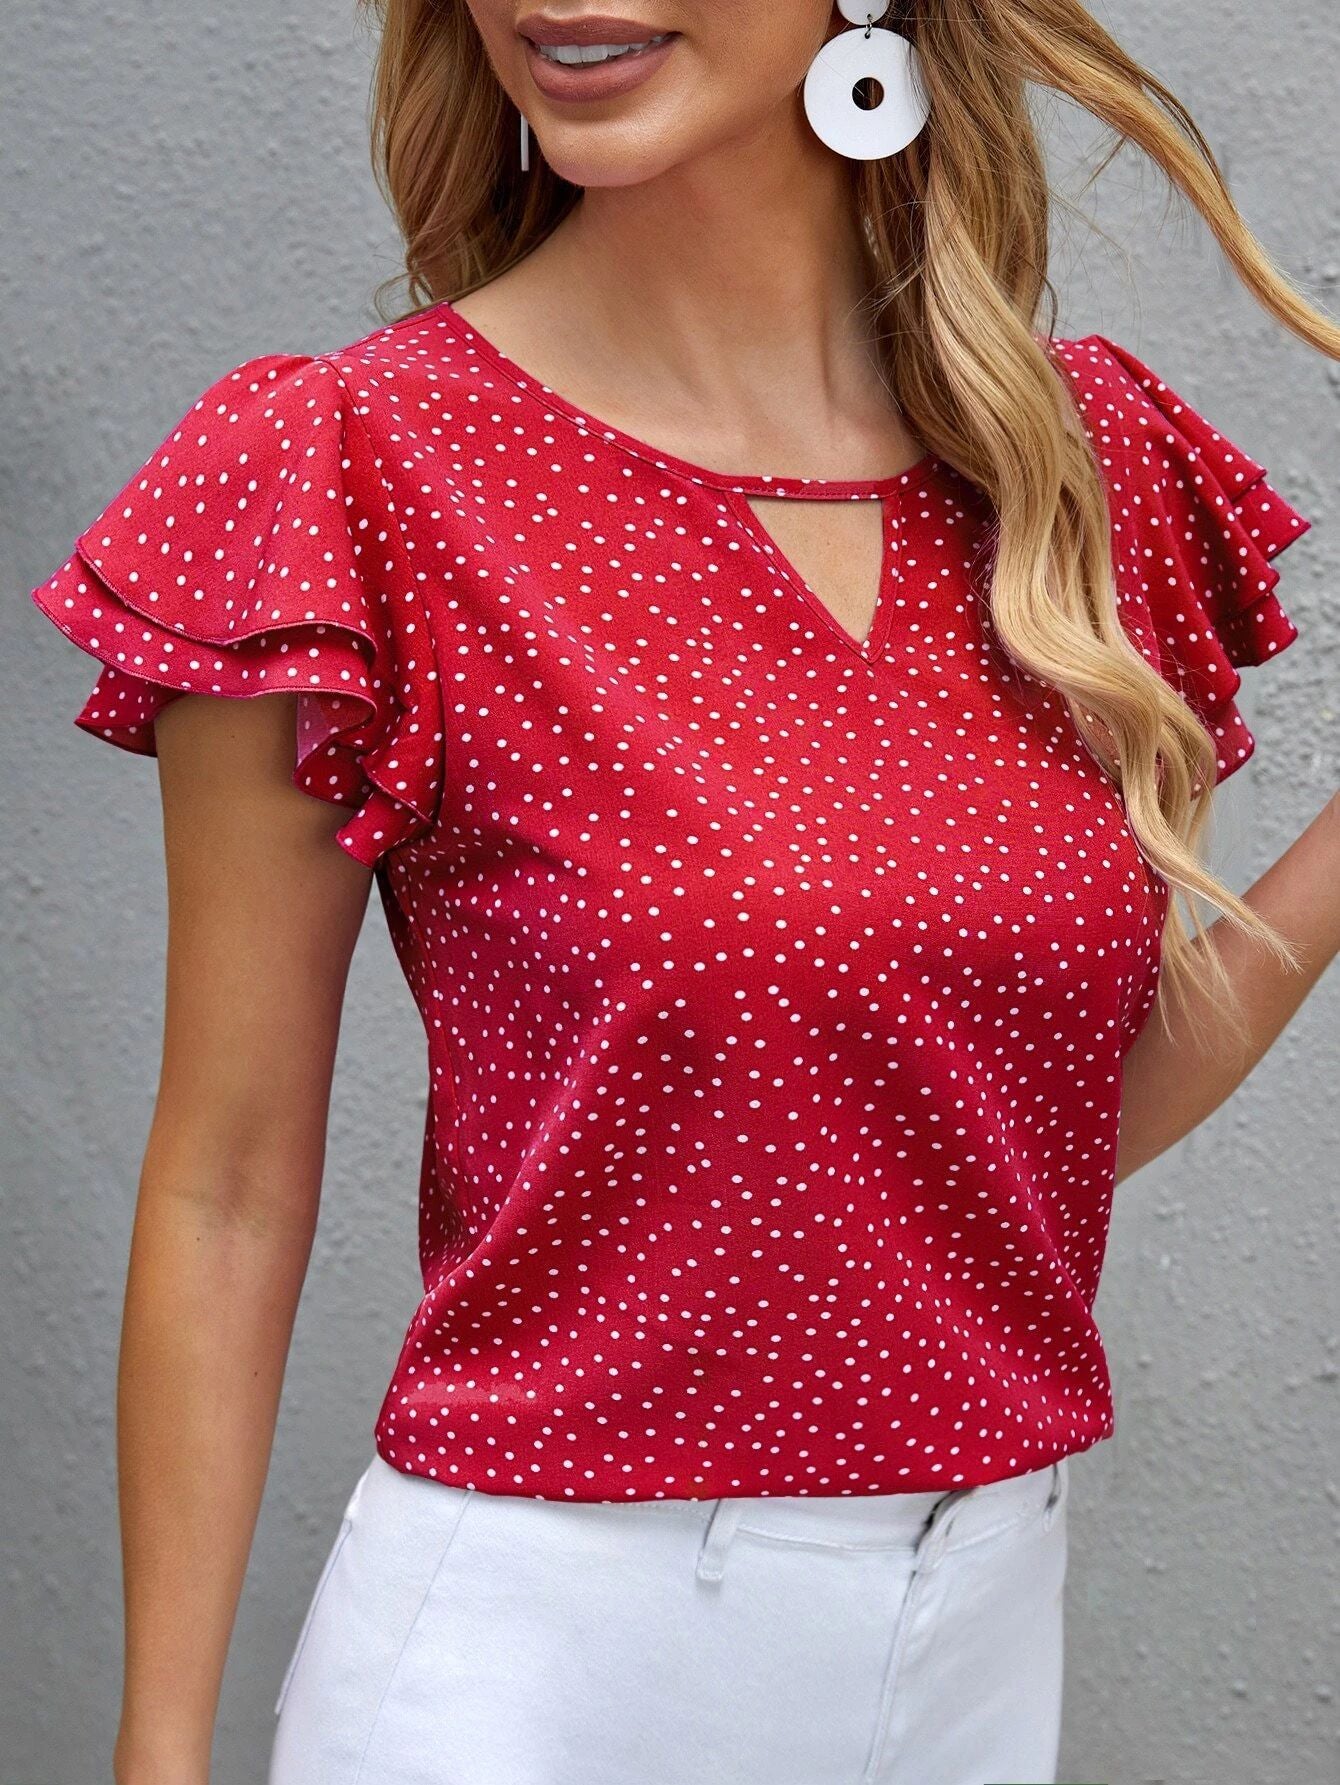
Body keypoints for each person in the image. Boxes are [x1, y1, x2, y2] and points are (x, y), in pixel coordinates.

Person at [26, 3, 1339, 1783]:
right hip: (540, 1674)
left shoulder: (1063, 466)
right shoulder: (353, 467)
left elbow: (1015, 1133)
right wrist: (159, 1750)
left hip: (978, 1646)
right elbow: (228, 1184)